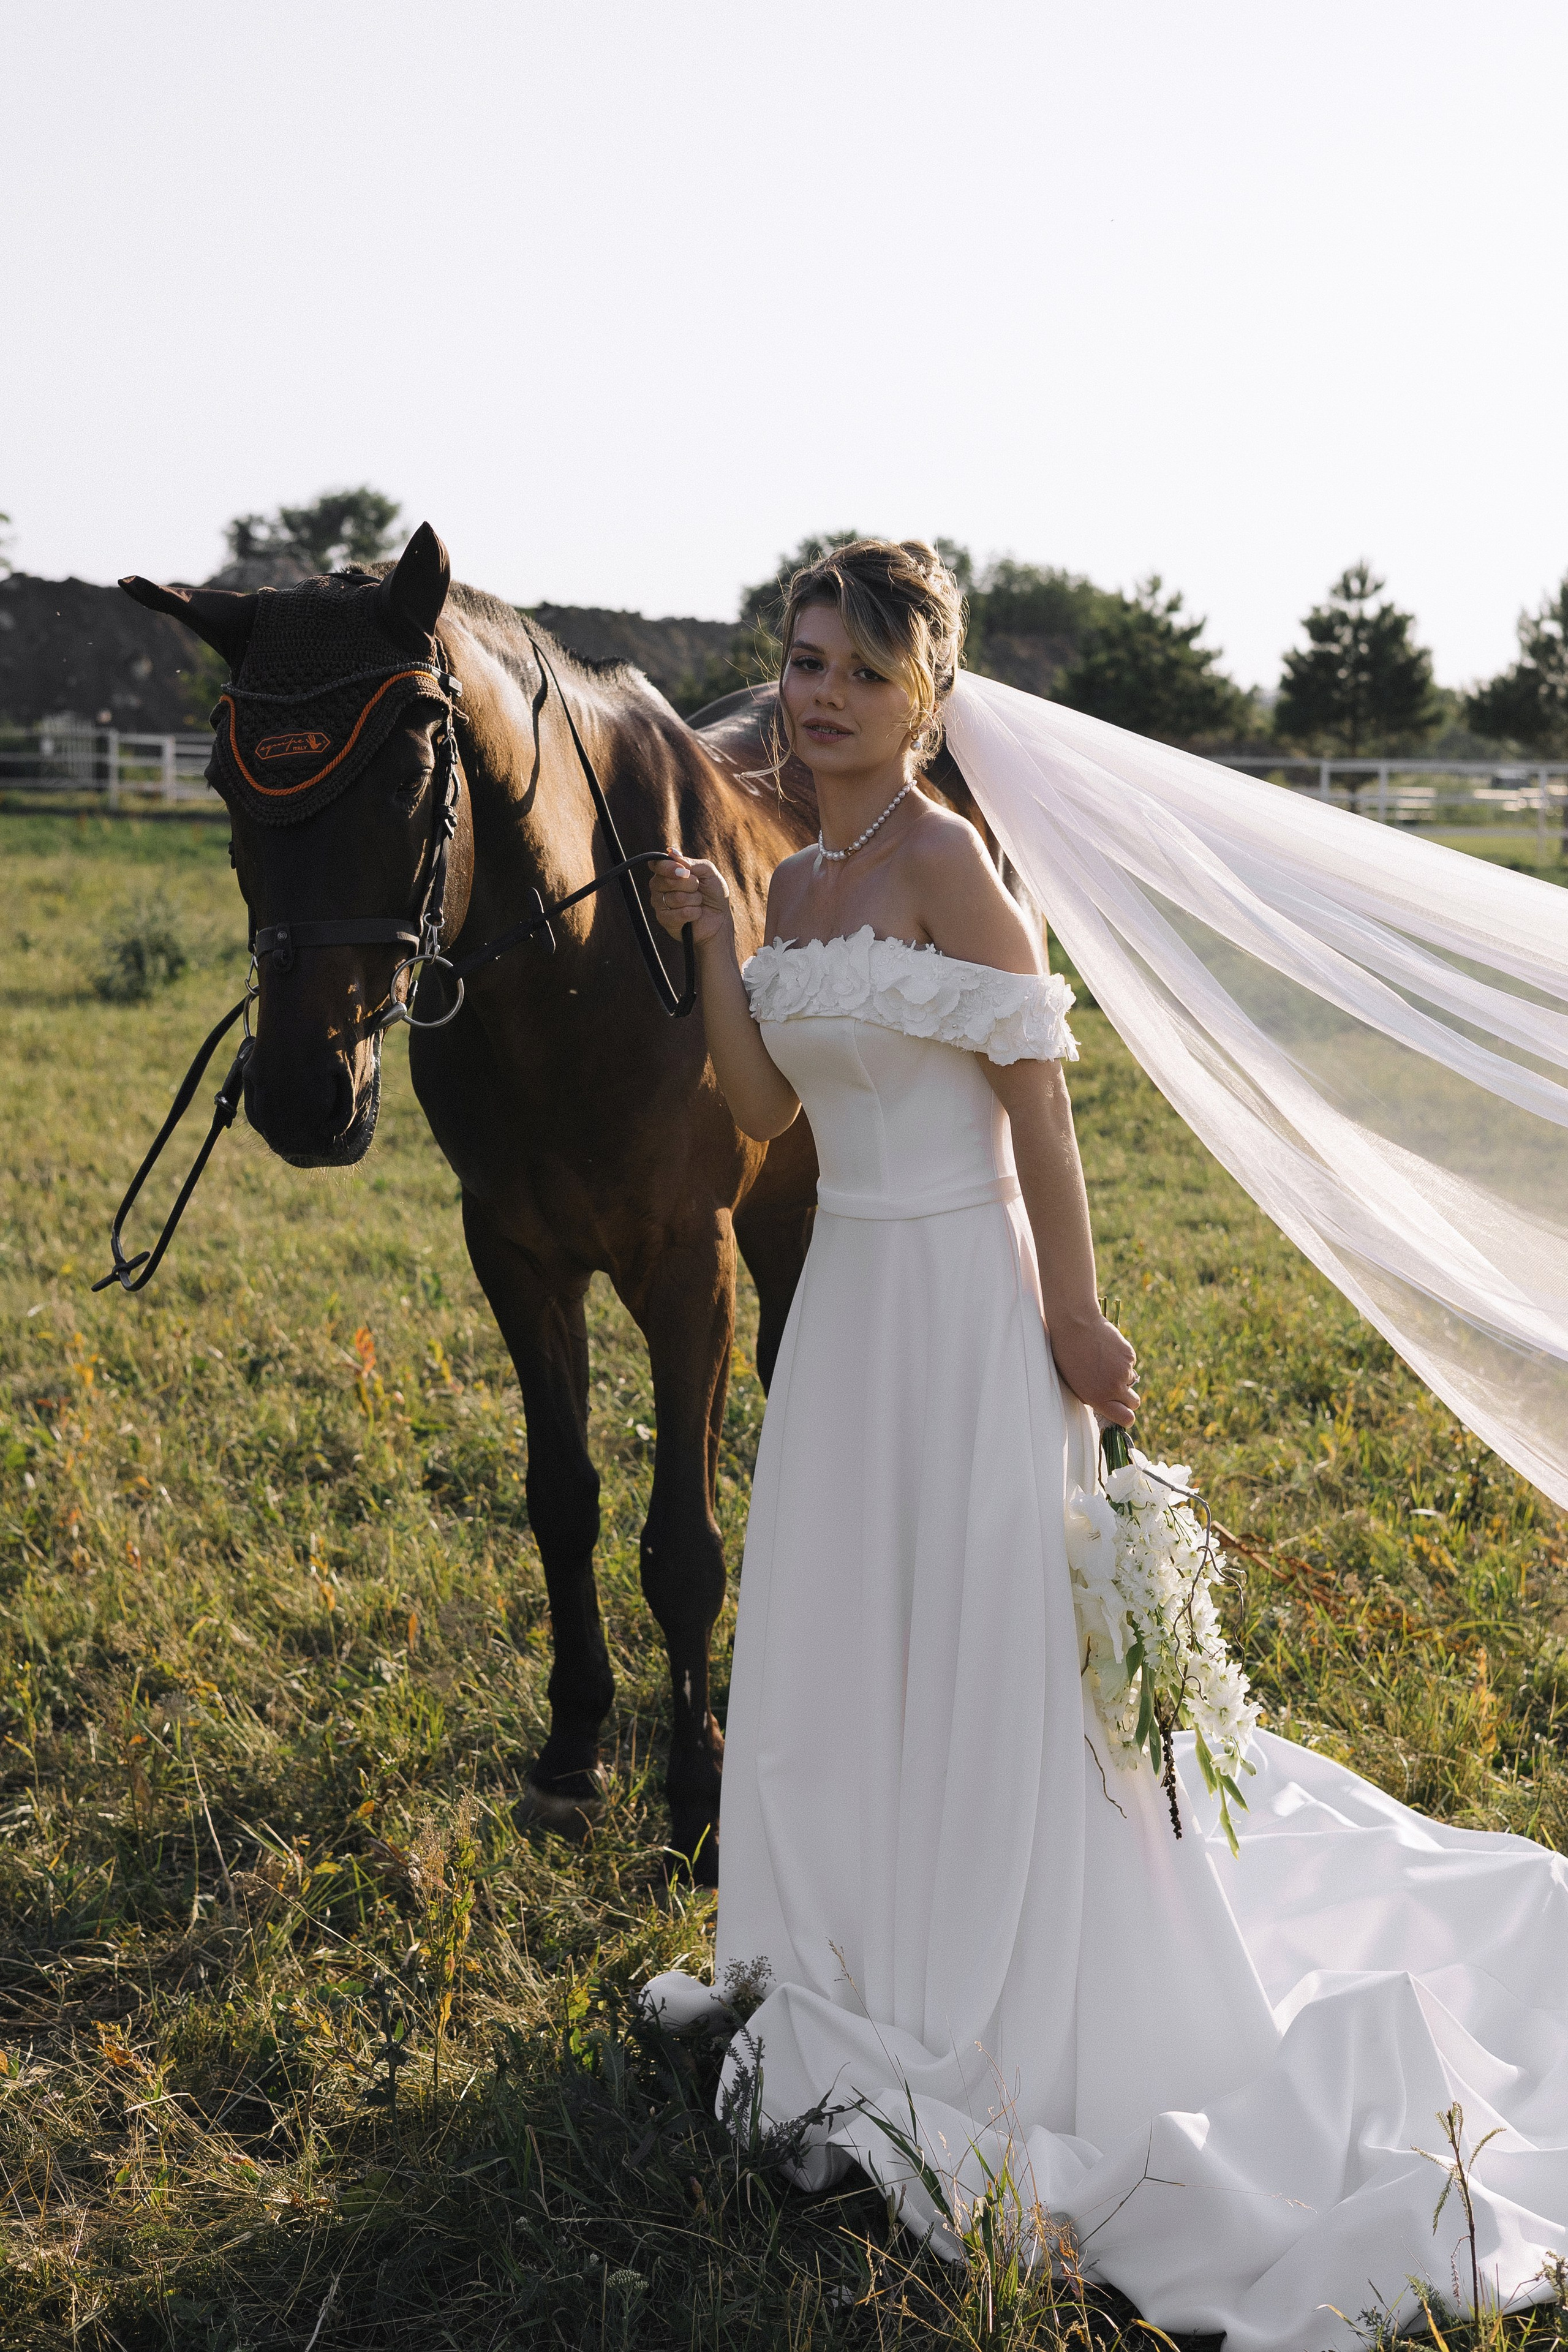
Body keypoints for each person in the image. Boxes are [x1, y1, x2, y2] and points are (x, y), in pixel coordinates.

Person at [647, 541, 1568, 2352]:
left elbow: (1039, 1109)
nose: (819, 692)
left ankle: (1008, 1973)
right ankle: (845, 1947)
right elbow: (762, 1111)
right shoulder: (809, 881)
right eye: (800, 659)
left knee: (993, 1639)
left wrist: (1073, 1317)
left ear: (927, 692)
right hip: (846, 1324)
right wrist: (711, 947)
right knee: (845, 1631)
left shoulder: (947, 866)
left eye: (858, 666)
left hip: (973, 1307)